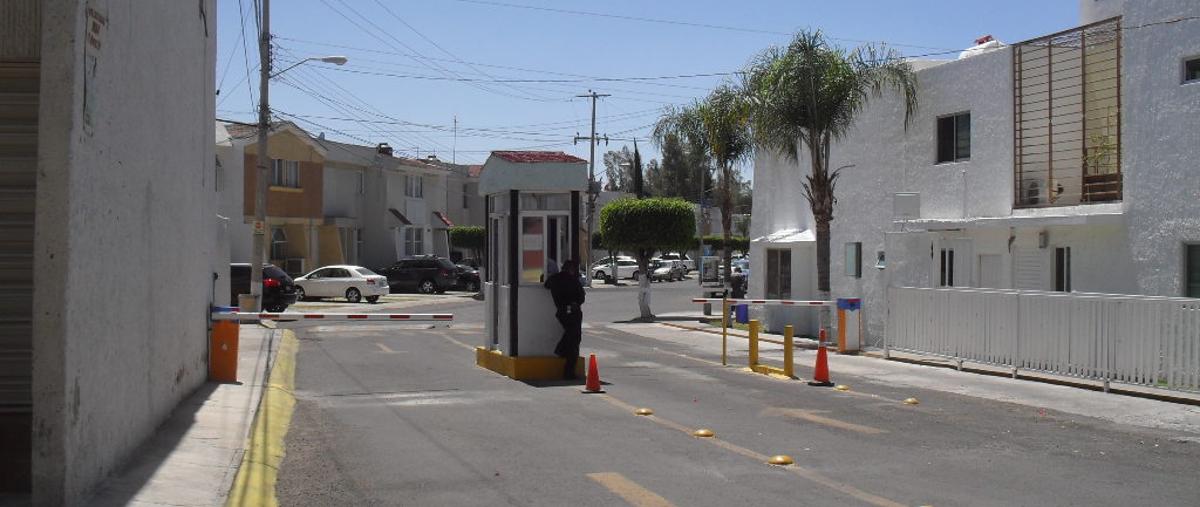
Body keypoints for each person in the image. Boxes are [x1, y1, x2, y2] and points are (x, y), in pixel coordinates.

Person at [544, 259, 585, 379]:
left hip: (561, 312)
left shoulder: (555, 279)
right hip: (574, 312)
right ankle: (563, 355)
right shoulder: (574, 281)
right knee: (574, 339)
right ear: (571, 269)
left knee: (570, 334)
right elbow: (581, 298)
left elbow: (546, 285)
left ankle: (561, 350)